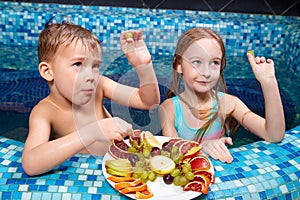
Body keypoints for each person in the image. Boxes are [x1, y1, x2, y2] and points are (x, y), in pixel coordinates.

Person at [22, 21, 160, 176]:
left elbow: (148, 101)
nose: (90, 76)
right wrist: (92, 131)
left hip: (118, 164)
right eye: (78, 64)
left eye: (95, 66)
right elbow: (30, 164)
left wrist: (144, 65)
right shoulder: (45, 112)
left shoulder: (100, 86)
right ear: (48, 71)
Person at [158, 27, 285, 163]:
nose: (206, 72)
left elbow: (273, 135)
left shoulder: (230, 104)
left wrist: (269, 83)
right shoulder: (168, 109)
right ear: (179, 65)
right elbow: (173, 156)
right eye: (197, 62)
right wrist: (201, 148)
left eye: (214, 62)